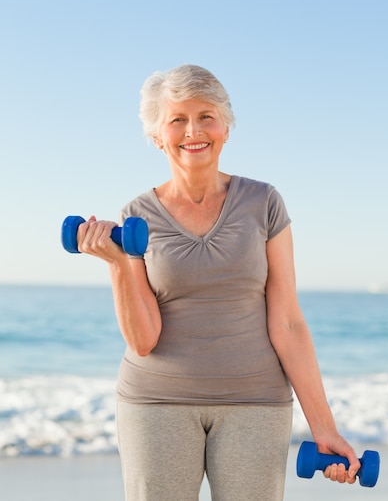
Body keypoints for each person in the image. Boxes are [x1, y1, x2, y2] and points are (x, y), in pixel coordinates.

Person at [76, 64, 361, 501]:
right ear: (157, 136)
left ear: (225, 127)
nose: (194, 130)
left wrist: (325, 427)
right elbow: (144, 340)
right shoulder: (137, 215)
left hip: (256, 402)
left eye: (206, 115)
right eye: (177, 119)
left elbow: (287, 322)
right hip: (156, 403)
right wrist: (117, 265)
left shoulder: (264, 202)